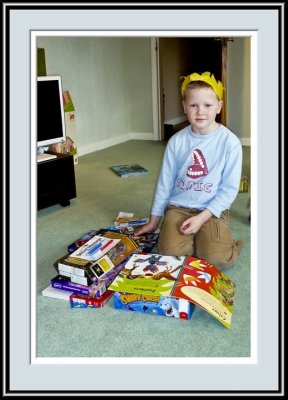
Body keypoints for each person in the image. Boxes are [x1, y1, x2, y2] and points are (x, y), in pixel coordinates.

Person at [135, 71, 244, 270]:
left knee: (217, 260)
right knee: (169, 255)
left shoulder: (231, 143)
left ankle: (226, 243)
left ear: (219, 106)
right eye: (193, 105)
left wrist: (202, 218)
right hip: (179, 207)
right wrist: (153, 222)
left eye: (208, 105)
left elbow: (228, 190)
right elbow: (165, 184)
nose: (200, 111)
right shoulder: (177, 142)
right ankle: (195, 241)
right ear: (185, 107)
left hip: (212, 210)